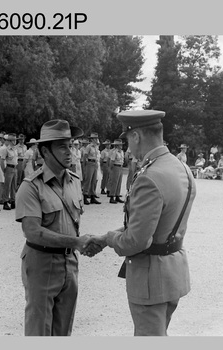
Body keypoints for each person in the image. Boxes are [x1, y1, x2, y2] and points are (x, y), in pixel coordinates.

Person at [92, 109, 197, 336]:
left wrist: (111, 238)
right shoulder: (183, 169)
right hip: (172, 272)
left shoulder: (150, 176)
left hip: (151, 279)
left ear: (136, 136)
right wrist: (106, 237)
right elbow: (156, 224)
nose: (128, 148)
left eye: (128, 139)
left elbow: (135, 241)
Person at [15, 119, 100, 336]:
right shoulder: (31, 187)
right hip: (42, 263)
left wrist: (79, 244)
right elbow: (32, 231)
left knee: (63, 331)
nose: (69, 151)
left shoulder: (74, 181)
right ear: (45, 151)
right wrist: (77, 242)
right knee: (39, 331)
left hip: (69, 262)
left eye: (70, 145)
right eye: (62, 146)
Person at [81, 133, 102, 205]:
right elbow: (85, 156)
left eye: (97, 138)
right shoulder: (89, 147)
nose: (96, 140)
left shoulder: (96, 147)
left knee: (94, 180)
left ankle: (92, 195)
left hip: (95, 163)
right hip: (89, 163)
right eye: (95, 138)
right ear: (92, 139)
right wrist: (84, 166)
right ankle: (85, 196)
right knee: (88, 180)